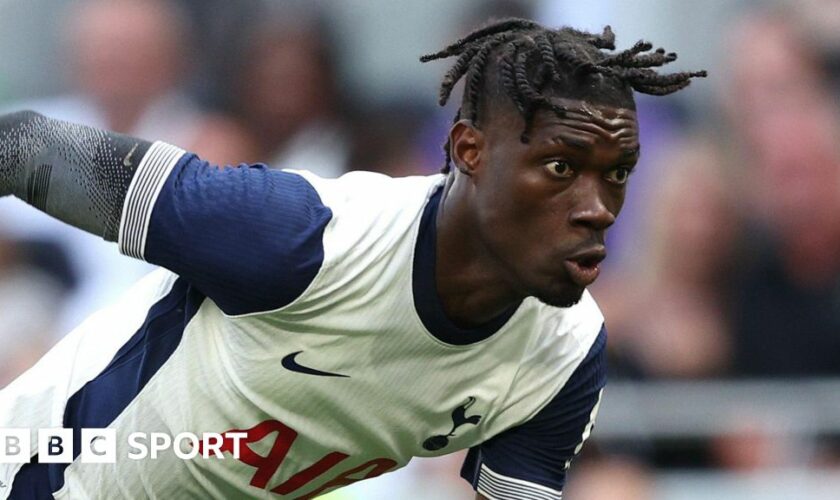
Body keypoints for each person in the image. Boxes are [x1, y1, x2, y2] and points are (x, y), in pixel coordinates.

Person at [0, 18, 704, 499]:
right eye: (560, 168)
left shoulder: (566, 351)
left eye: (617, 173)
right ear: (469, 152)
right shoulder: (301, 239)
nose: (599, 207)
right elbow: (23, 147)